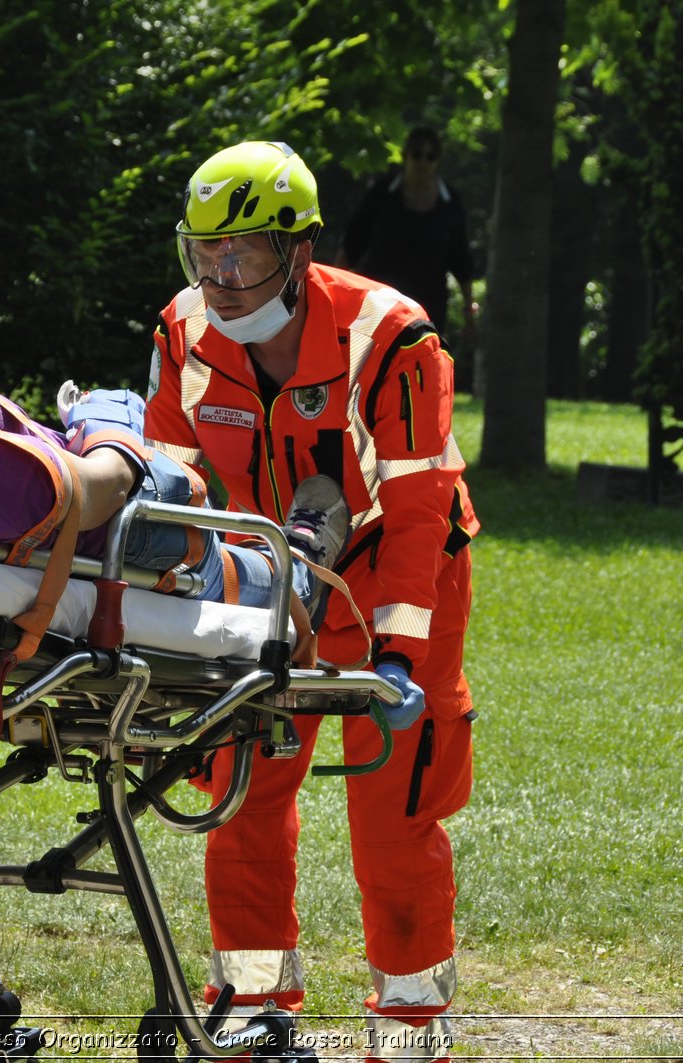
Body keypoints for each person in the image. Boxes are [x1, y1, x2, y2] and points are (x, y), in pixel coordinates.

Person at [143, 141, 480, 1061]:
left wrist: (399, 653)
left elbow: (415, 505)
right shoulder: (181, 333)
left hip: (393, 575)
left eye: (243, 253)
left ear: (298, 252)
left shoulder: (391, 334)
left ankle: (410, 1026)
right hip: (266, 578)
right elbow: (168, 482)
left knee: (395, 806)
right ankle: (252, 1005)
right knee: (240, 791)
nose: (220, 276)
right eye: (202, 253)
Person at [0, 376, 339, 616]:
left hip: (139, 519)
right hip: (97, 490)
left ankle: (302, 567)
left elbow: (103, 486)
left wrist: (104, 424)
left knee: (255, 581)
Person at [340, 126, 477, 349]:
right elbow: (351, 246)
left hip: (428, 306)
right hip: (379, 302)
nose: (423, 161)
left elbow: (461, 260)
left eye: (430, 156)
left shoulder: (450, 202)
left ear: (438, 161)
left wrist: (469, 312)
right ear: (405, 156)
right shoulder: (382, 193)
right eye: (417, 154)